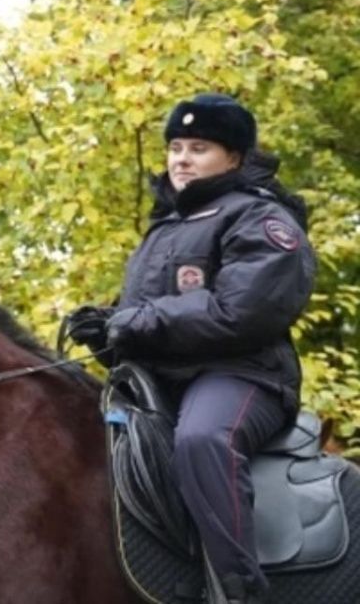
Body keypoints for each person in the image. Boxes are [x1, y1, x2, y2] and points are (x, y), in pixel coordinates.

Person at [69, 93, 315, 604]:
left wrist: (134, 320)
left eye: (198, 148)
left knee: (203, 439)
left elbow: (241, 310)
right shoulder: (163, 230)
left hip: (243, 377)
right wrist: (107, 332)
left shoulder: (261, 219)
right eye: (176, 147)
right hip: (167, 384)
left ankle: (237, 589)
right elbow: (149, 325)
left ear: (236, 158)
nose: (181, 158)